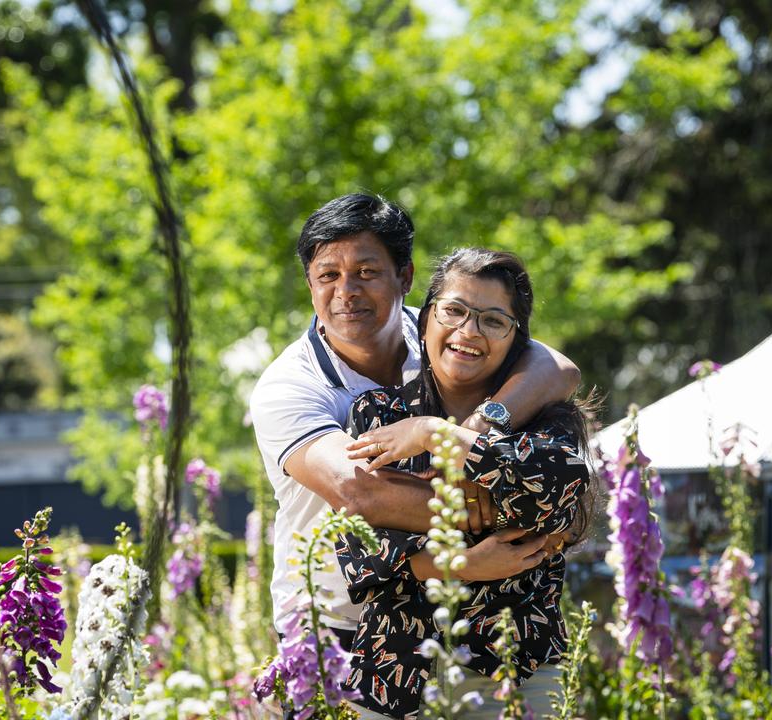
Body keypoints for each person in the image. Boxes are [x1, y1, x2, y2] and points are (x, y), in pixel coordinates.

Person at [248, 194, 580, 684]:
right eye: (328, 275)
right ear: (309, 283)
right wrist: (511, 504)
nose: (347, 292)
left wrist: (469, 433)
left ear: (404, 277)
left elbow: (555, 367)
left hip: (448, 627)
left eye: (366, 271)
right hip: (335, 631)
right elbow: (360, 492)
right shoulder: (290, 387)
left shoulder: (444, 326)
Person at [336, 247, 595, 719]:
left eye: (493, 321)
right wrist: (463, 563)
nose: (468, 332)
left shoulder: (547, 418)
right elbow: (360, 554)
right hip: (396, 669)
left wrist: (439, 436)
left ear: (517, 341)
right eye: (453, 311)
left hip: (516, 670)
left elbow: (557, 498)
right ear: (426, 320)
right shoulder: (377, 413)